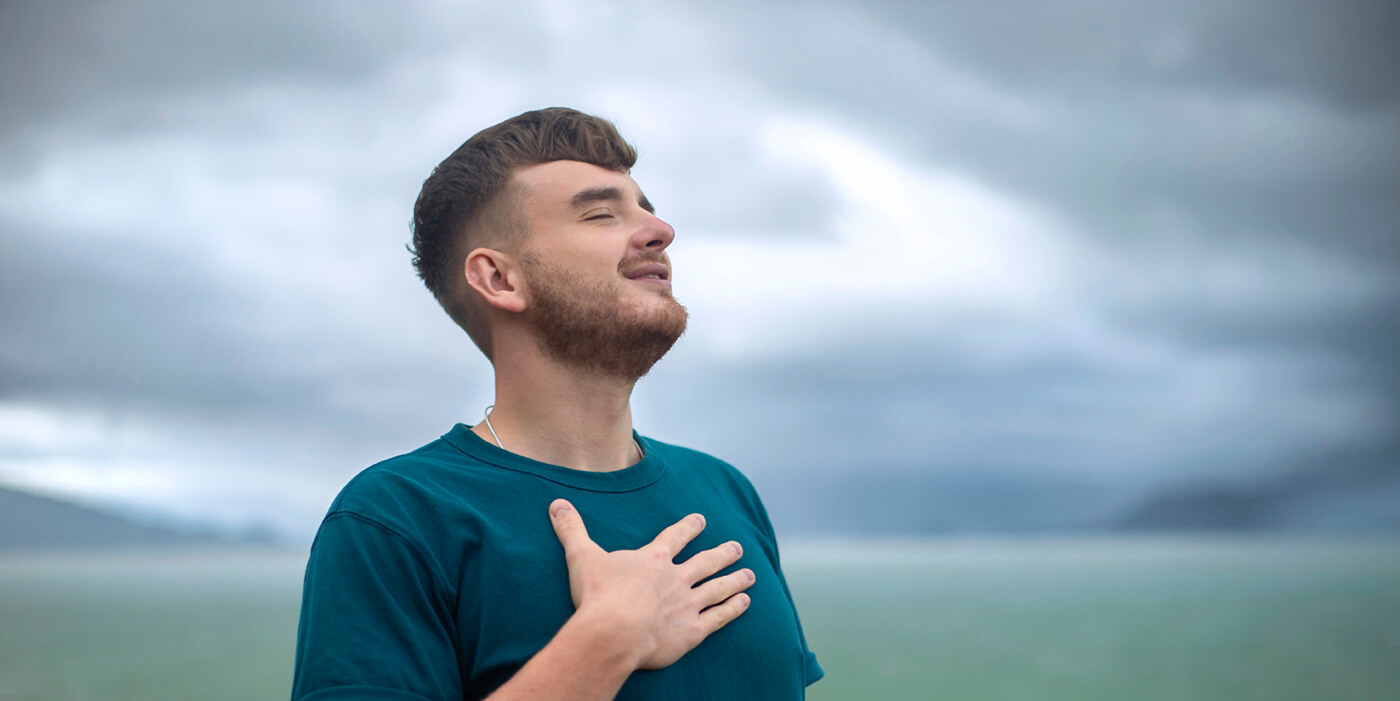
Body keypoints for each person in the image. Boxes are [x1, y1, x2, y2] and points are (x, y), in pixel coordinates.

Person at [290, 107, 823, 700]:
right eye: (601, 213)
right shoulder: (396, 518)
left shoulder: (725, 490)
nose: (659, 229)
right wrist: (605, 640)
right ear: (499, 279)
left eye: (646, 207)